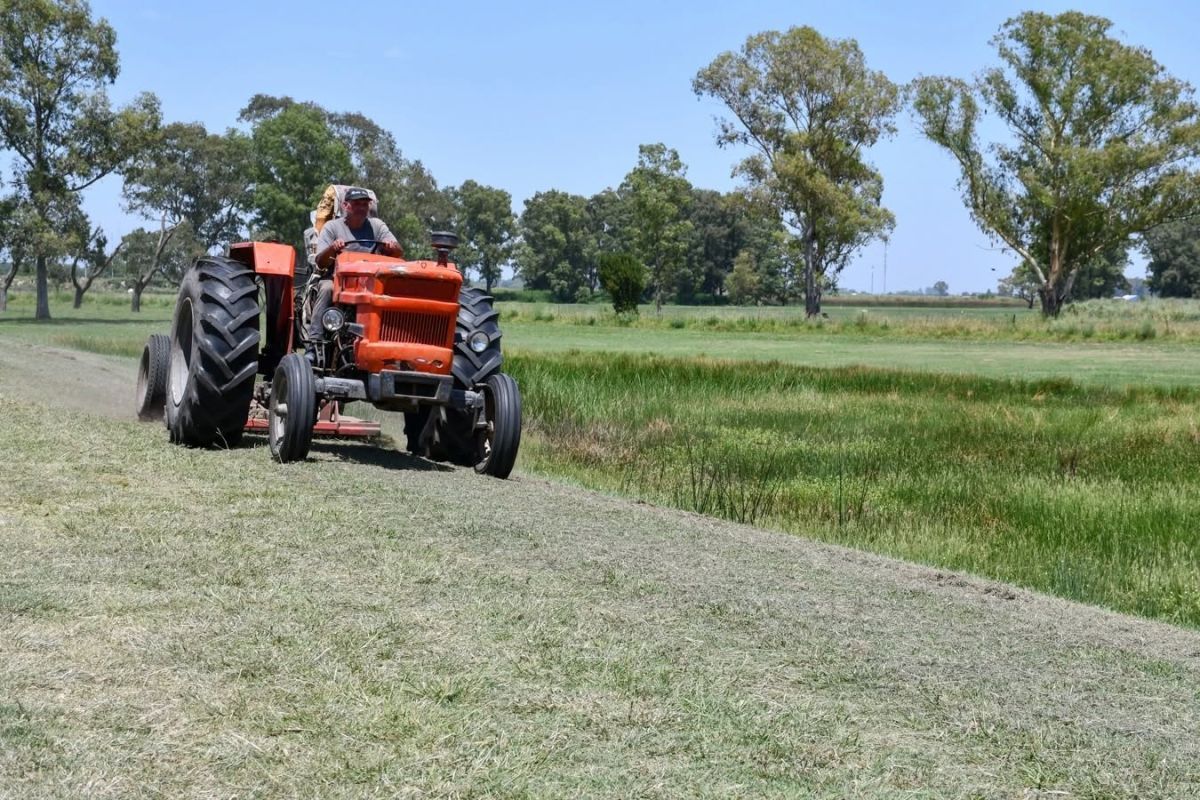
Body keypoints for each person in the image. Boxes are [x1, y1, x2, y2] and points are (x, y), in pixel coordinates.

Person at [307, 187, 404, 359]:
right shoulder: (332, 227)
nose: (361, 208)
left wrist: (391, 247)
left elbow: (398, 252)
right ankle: (314, 345)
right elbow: (320, 261)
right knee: (326, 288)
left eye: (365, 204)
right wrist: (332, 248)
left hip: (371, 283)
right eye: (356, 204)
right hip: (339, 280)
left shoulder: (377, 226)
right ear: (346, 206)